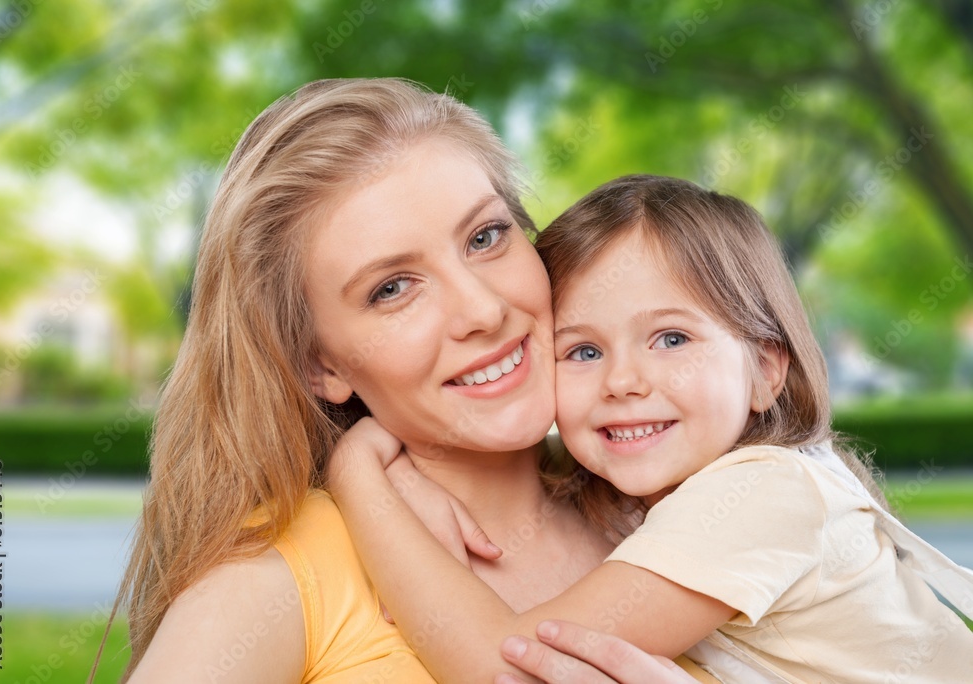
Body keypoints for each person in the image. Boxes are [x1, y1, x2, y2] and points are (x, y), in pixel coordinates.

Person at [105, 81, 716, 683]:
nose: (483, 311)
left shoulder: (668, 507)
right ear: (322, 366)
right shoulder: (277, 580)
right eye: (392, 289)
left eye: (485, 237)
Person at [328, 175, 973, 683]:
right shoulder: (667, 496)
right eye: (583, 351)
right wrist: (417, 475)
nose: (623, 382)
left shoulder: (759, 496)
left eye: (670, 338)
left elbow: (509, 668)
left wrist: (359, 472)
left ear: (765, 371)